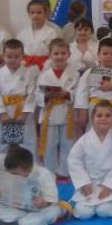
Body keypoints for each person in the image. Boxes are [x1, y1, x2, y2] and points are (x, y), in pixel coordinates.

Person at [68, 100, 112, 219]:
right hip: (89, 184)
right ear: (92, 118)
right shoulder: (84, 140)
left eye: (107, 116)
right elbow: (74, 160)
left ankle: (110, 200)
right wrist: (83, 182)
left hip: (109, 184)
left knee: (105, 212)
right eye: (99, 115)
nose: (103, 119)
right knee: (83, 214)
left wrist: (109, 185)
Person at [0, 144, 65, 225]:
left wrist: (44, 203)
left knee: (53, 212)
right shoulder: (12, 173)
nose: (12, 176)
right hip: (18, 208)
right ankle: (18, 221)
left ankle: (16, 224)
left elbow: (52, 198)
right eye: (10, 173)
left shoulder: (43, 174)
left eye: (15, 174)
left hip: (39, 210)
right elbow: (5, 194)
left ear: (27, 170)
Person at [36, 38, 80, 177]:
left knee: (68, 143)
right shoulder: (43, 74)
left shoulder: (75, 73)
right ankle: (50, 172)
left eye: (63, 53)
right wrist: (46, 97)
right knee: (49, 145)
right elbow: (37, 94)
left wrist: (67, 94)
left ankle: (66, 172)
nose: (59, 56)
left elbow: (79, 92)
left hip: (67, 113)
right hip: (50, 113)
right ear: (50, 55)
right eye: (56, 53)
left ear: (69, 54)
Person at [74, 38, 112, 137]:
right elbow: (82, 91)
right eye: (105, 54)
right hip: (96, 108)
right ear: (98, 55)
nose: (109, 56)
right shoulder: (91, 71)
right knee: (93, 135)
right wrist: (82, 110)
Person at [0, 39, 38, 153]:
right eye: (9, 57)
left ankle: (29, 164)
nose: (13, 60)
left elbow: (32, 94)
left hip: (22, 114)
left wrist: (24, 113)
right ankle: (3, 164)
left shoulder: (29, 72)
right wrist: (2, 114)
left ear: (23, 56)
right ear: (3, 56)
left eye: (17, 57)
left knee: (27, 144)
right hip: (5, 113)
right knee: (4, 146)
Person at [17, 0, 61, 71]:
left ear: (45, 14)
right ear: (29, 14)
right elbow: (18, 51)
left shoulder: (52, 32)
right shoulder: (22, 33)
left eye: (39, 12)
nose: (36, 15)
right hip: (26, 65)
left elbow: (55, 51)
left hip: (45, 66)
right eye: (32, 12)